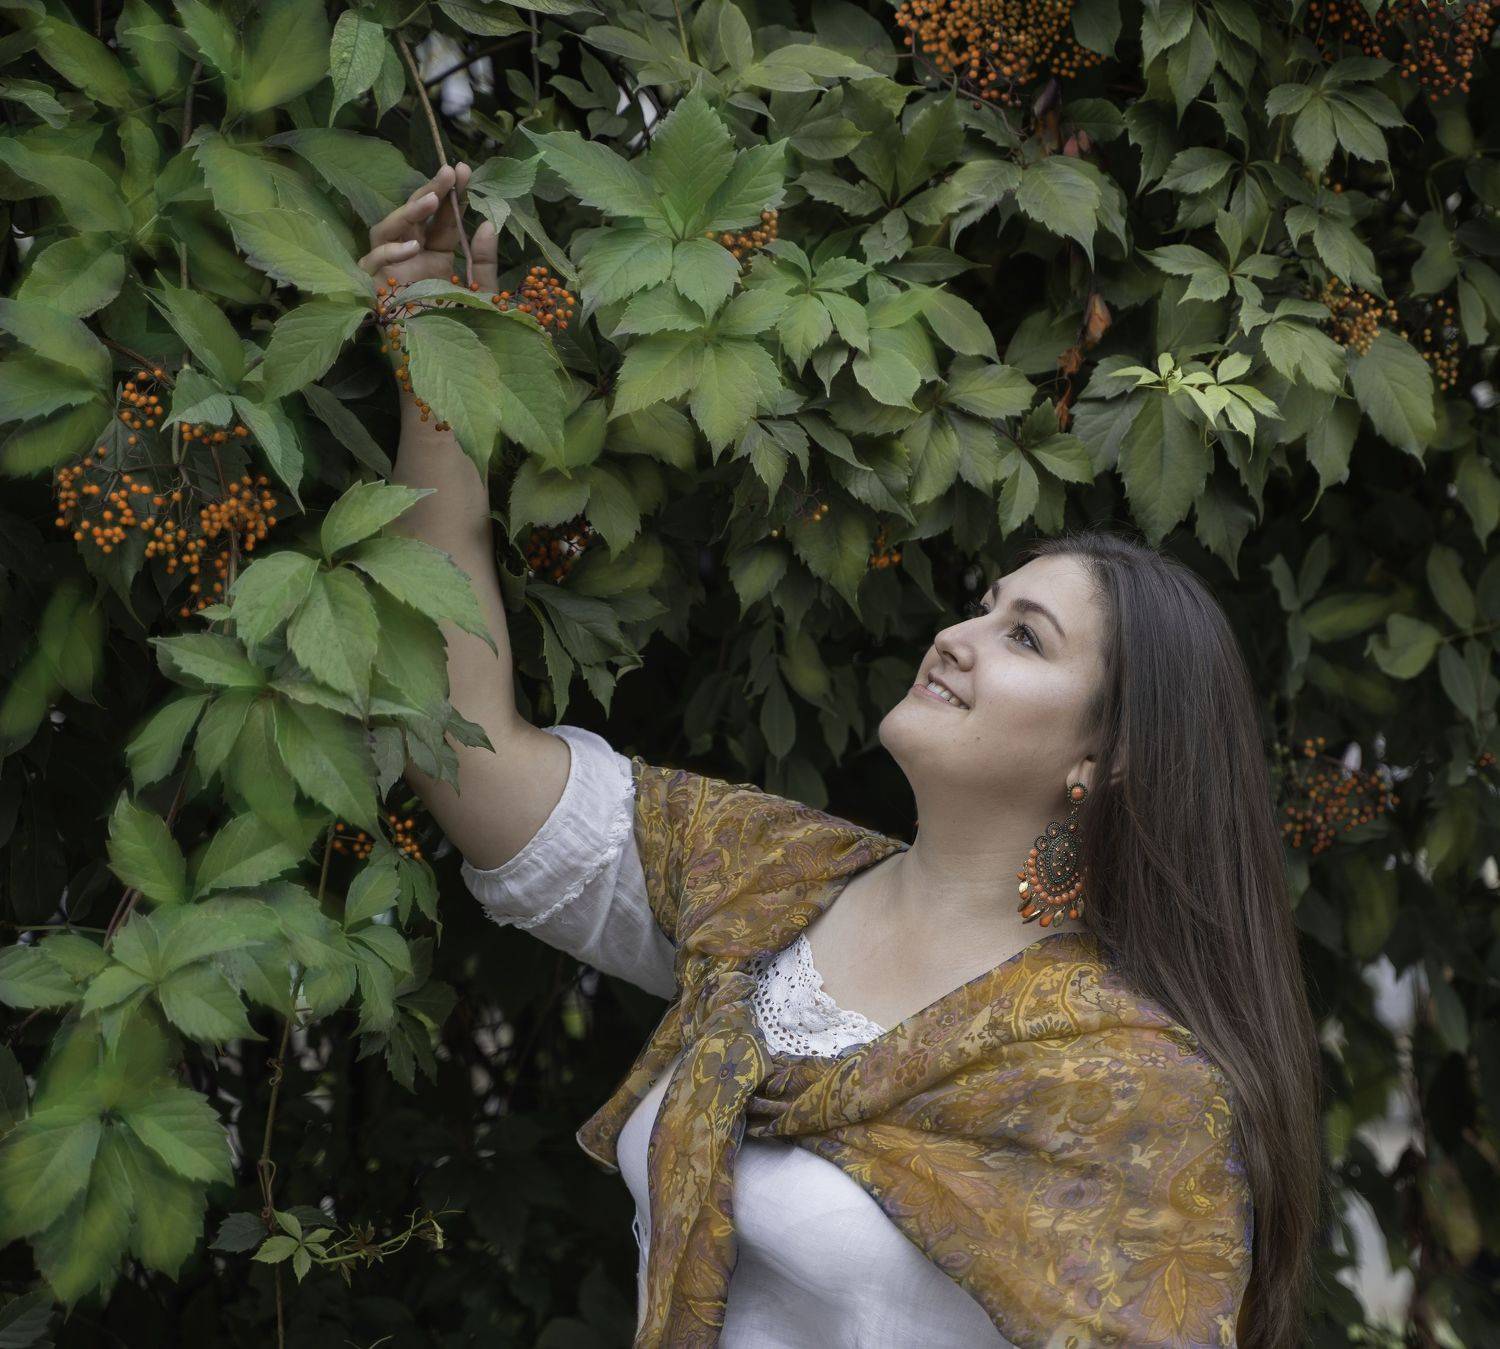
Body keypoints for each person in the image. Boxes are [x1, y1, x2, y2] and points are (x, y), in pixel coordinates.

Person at [360, 165, 1325, 1348]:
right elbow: (471, 755)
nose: (960, 636)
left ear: (1106, 758)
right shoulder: (765, 883)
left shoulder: (1131, 1085)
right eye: (984, 604)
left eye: (1026, 637)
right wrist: (438, 367)